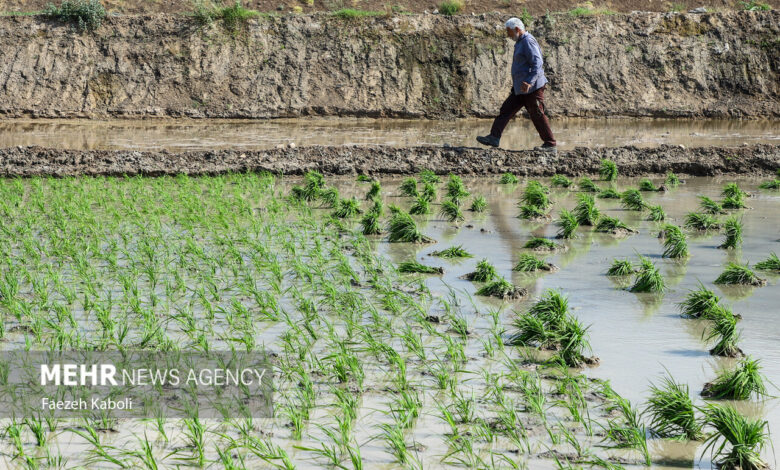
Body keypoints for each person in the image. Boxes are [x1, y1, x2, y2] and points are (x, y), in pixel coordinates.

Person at [477, 17, 557, 152]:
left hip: (532, 88)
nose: (508, 35)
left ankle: (550, 144)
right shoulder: (520, 42)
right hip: (520, 88)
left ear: (517, 29)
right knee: (506, 110)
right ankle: (494, 137)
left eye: (509, 31)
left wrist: (529, 82)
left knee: (537, 114)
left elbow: (538, 64)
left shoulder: (528, 41)